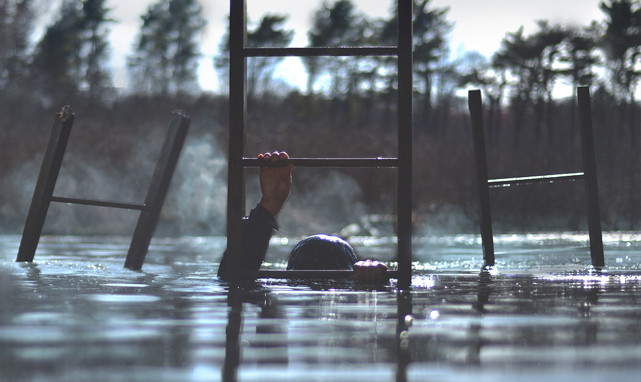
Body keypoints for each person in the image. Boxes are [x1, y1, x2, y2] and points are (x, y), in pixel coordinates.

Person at [218, 151, 389, 282]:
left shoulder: (282, 289)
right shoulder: (356, 295)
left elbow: (231, 278)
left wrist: (269, 206)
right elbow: (232, 276)